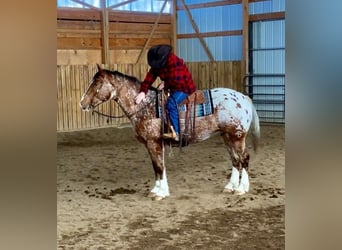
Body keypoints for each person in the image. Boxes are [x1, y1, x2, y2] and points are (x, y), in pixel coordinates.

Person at [135, 44, 196, 141]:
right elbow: (150, 77)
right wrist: (143, 91)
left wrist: (165, 85)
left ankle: (177, 132)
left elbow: (177, 81)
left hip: (184, 88)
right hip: (172, 87)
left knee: (171, 104)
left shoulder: (175, 62)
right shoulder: (158, 63)